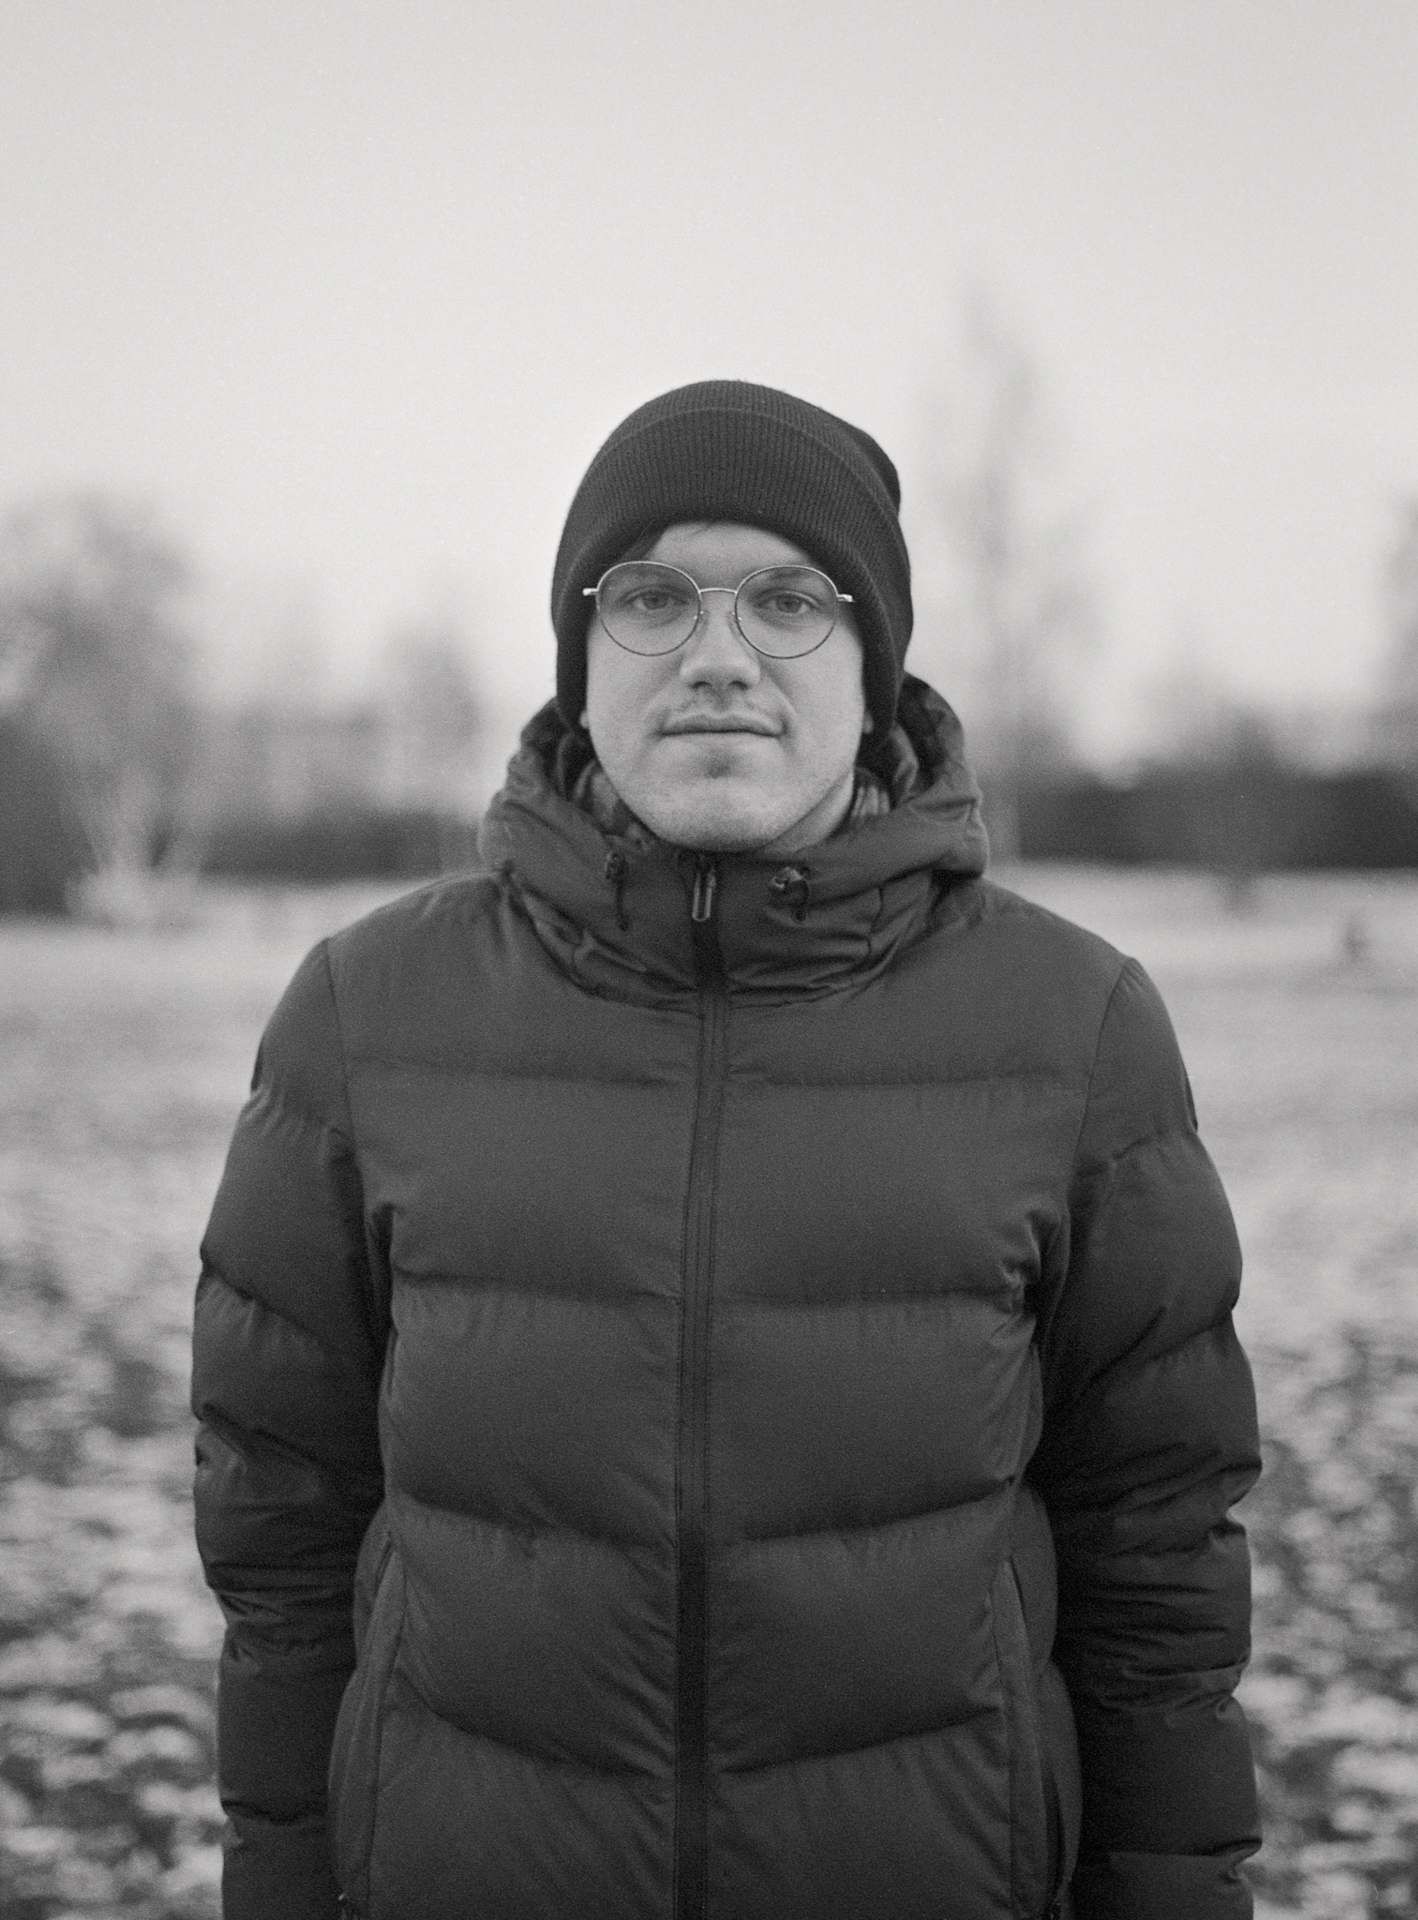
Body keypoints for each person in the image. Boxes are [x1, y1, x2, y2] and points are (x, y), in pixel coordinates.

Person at [192, 380, 1262, 1920]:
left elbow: (1158, 1564)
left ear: (873, 667)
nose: (717, 655)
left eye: (789, 600)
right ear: (579, 659)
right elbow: (282, 1555)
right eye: (650, 598)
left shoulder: (1075, 1026)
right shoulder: (365, 1016)